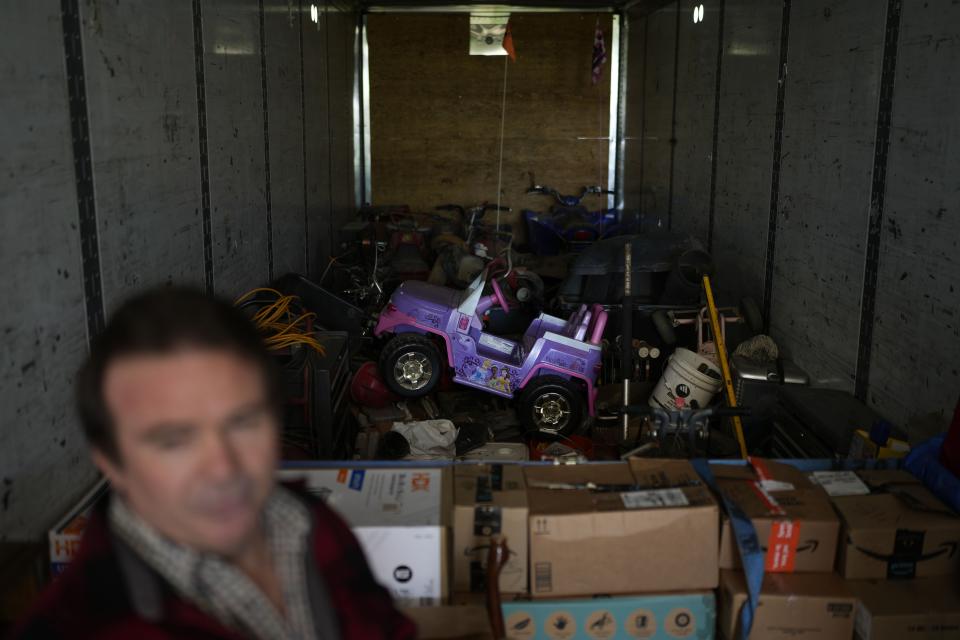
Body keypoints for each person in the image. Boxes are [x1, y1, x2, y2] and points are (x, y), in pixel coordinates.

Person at [12, 288, 416, 639]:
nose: (224, 468)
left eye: (242, 422)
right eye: (174, 440)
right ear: (112, 461)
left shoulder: (310, 524)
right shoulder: (83, 628)